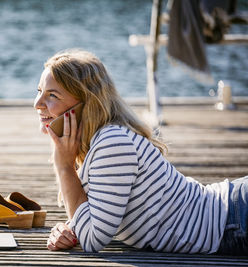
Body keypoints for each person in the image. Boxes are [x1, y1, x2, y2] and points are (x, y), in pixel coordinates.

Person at [33, 49, 248, 255]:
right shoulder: (97, 143)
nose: (37, 104)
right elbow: (98, 213)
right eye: (40, 92)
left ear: (86, 104)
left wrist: (63, 166)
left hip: (234, 220)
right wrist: (70, 228)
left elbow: (93, 239)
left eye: (52, 95)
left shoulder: (112, 143)